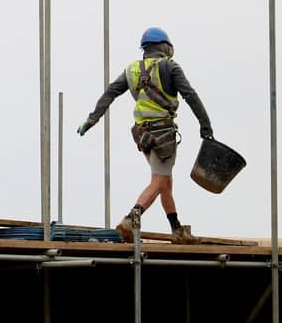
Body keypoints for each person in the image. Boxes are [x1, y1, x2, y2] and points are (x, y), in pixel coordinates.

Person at [77, 27, 213, 244]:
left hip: (142, 135)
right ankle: (131, 219)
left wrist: (91, 119)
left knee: (164, 180)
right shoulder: (170, 67)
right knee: (160, 181)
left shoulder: (132, 70)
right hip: (163, 135)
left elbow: (110, 93)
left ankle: (177, 229)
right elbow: (190, 95)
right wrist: (205, 124)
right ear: (164, 46)